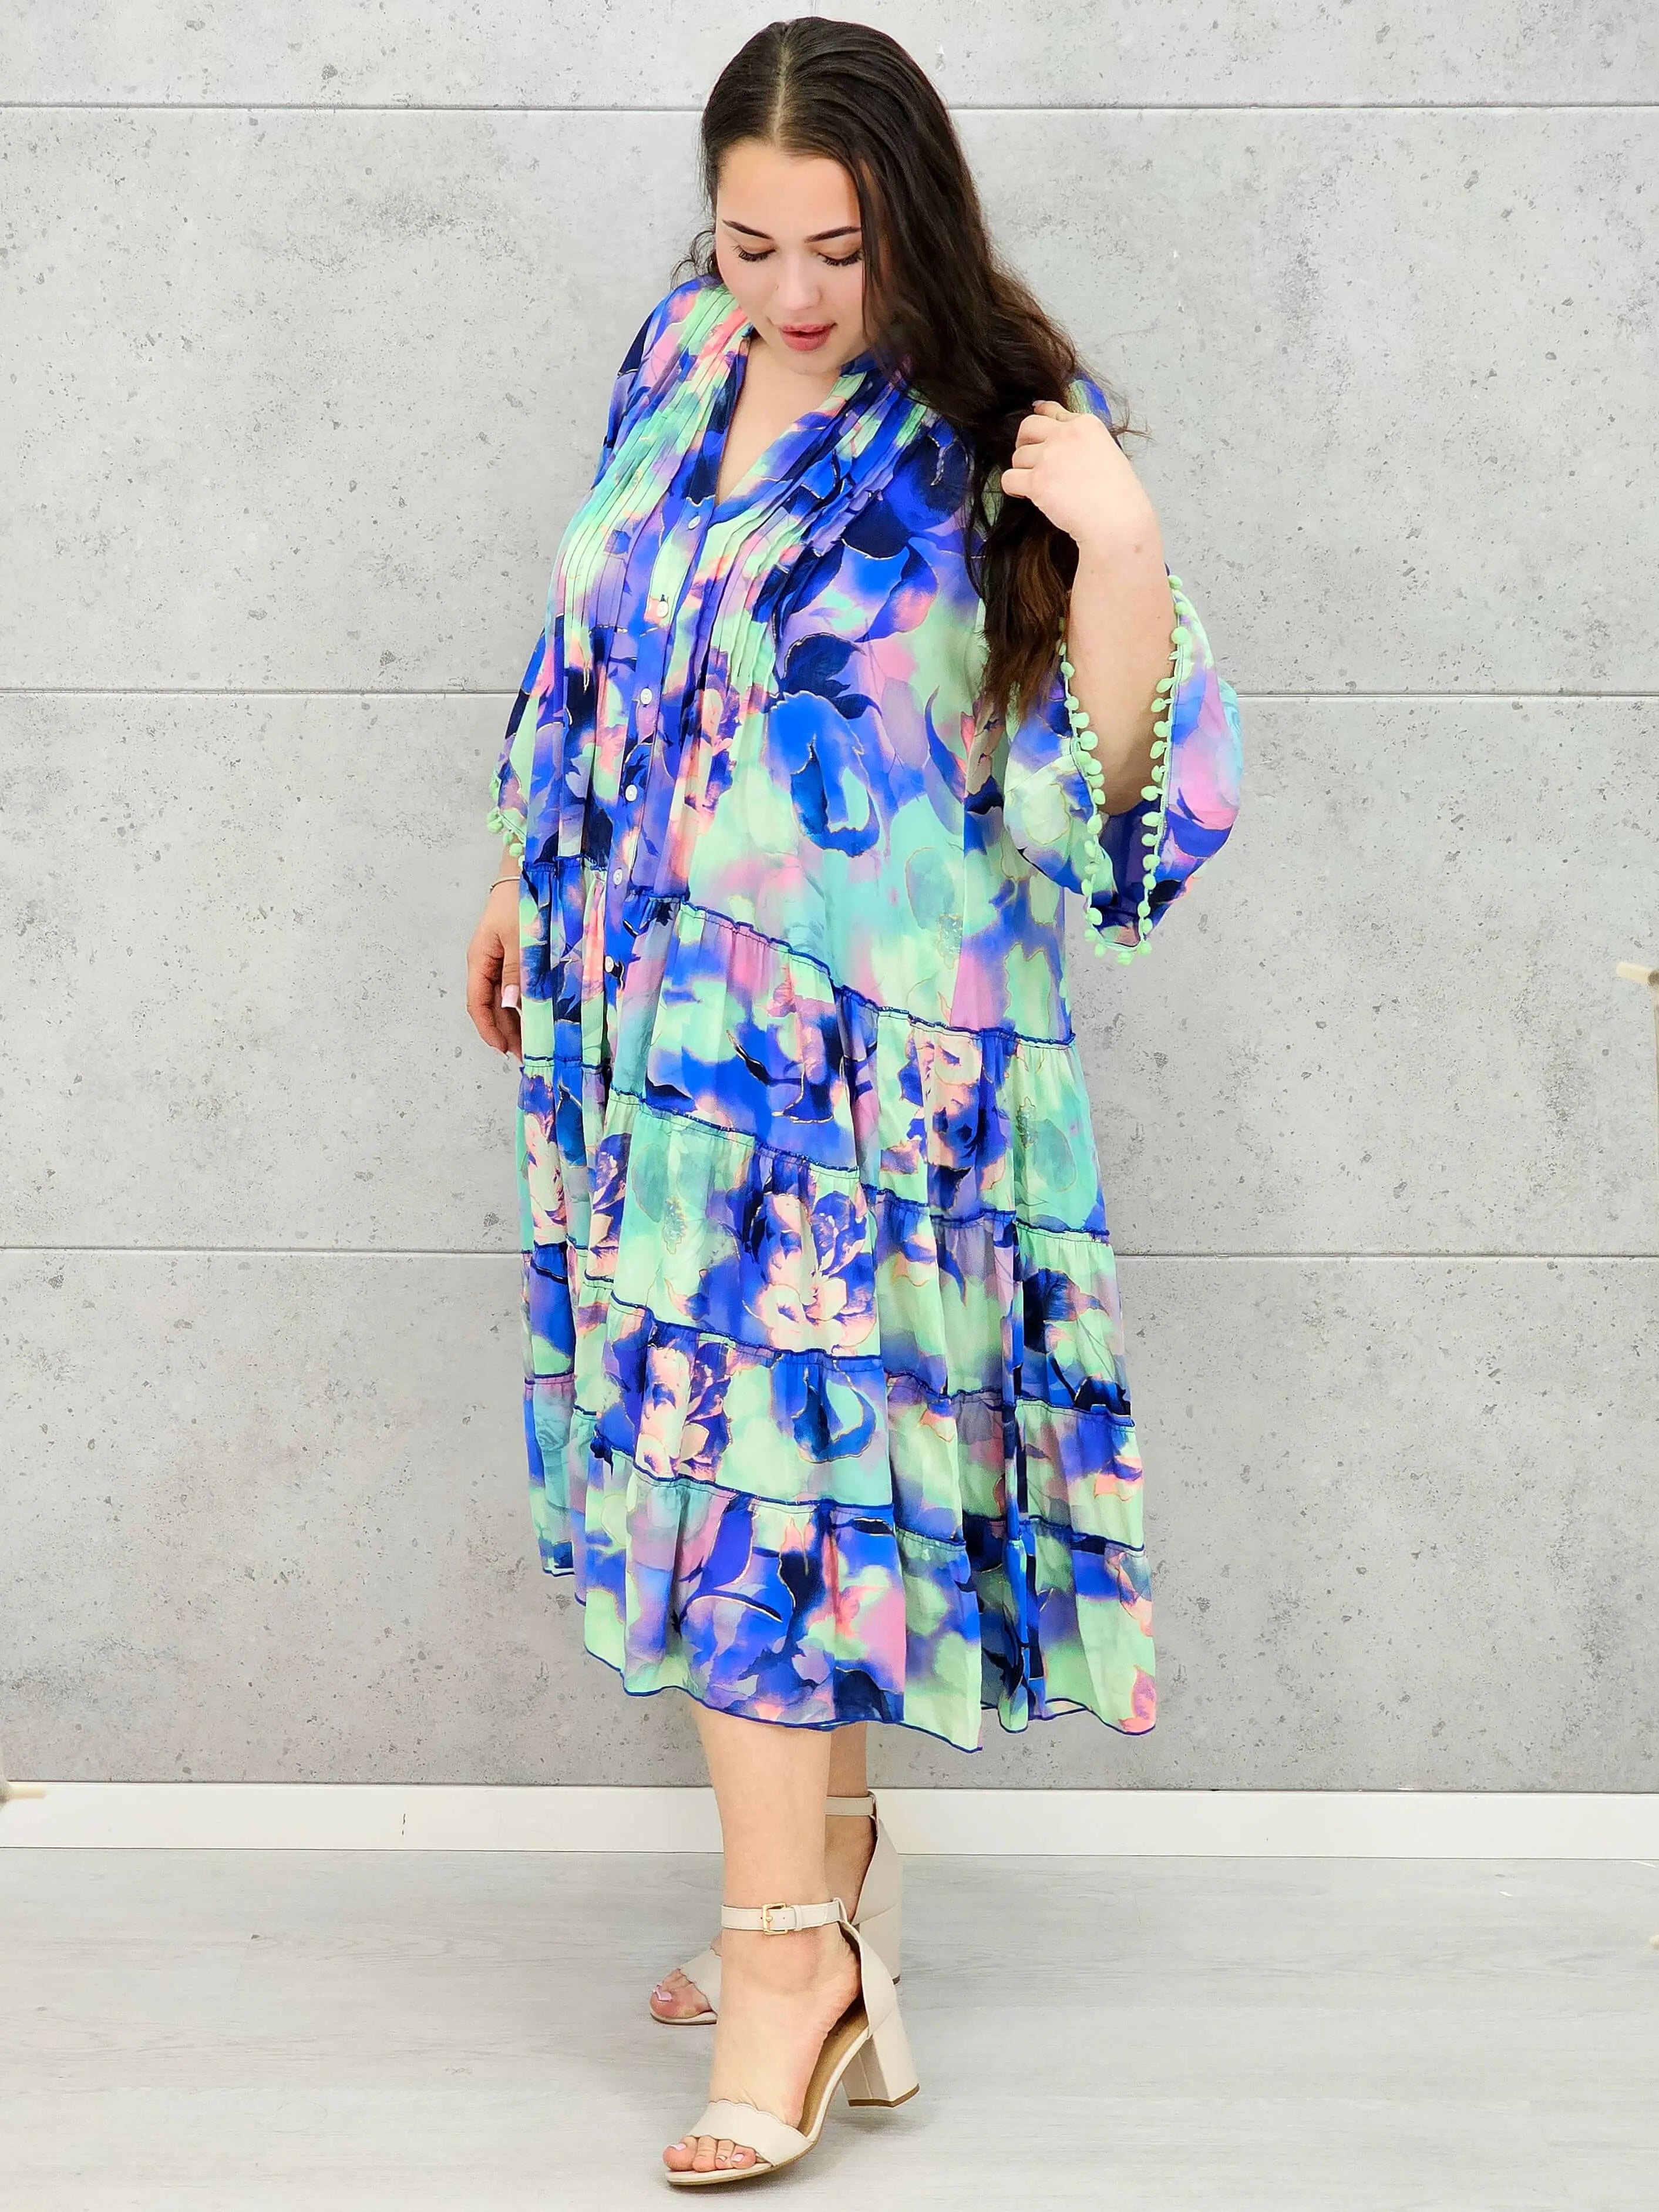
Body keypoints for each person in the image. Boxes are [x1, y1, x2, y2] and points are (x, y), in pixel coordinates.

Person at [465, 15, 1241, 2189]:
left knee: (761, 1495)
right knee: (748, 1486)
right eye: (753, 245)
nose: (795, 294)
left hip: (862, 1077)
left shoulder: (1003, 422)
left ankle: (786, 1970)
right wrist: (522, 872)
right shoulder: (673, 359)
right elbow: (604, 652)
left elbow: (1120, 810)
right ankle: (840, 1880)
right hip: (652, 1029)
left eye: (841, 248)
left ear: (917, 220)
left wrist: (1123, 550)